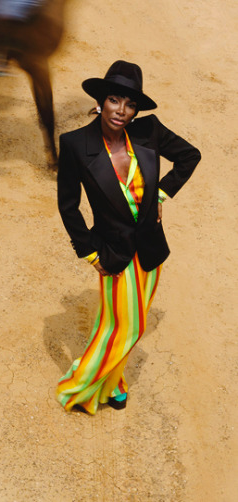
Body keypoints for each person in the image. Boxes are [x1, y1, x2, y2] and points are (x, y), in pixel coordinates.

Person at [55, 60, 201, 414]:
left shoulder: (148, 131)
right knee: (126, 327)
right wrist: (89, 254)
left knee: (122, 323)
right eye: (115, 100)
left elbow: (188, 156)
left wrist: (162, 195)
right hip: (112, 252)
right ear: (101, 101)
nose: (122, 111)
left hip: (150, 250)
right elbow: (68, 206)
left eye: (130, 104)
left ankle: (115, 383)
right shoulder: (76, 144)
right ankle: (79, 387)